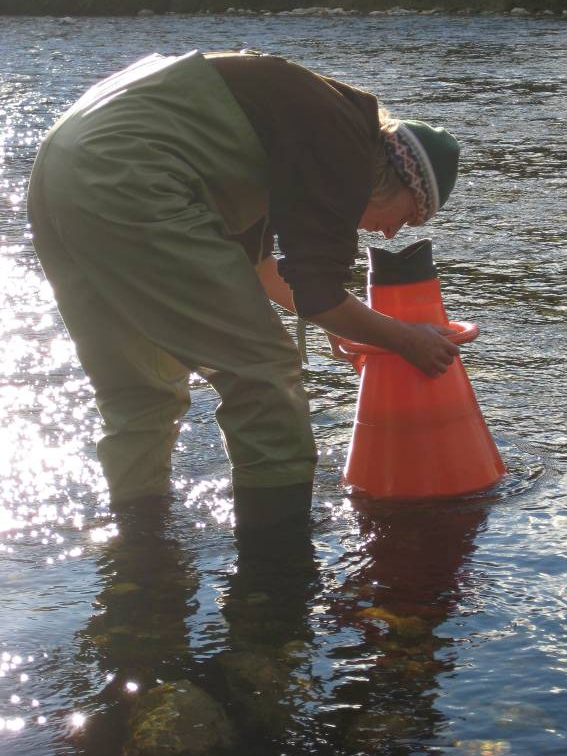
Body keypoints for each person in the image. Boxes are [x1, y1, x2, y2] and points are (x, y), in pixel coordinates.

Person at [27, 49, 461, 535]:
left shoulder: (300, 120)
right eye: (409, 215)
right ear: (399, 178)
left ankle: (141, 556)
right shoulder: (346, 146)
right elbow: (318, 293)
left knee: (140, 392)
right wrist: (403, 338)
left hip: (63, 165)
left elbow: (259, 269)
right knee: (265, 374)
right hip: (136, 176)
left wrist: (351, 320)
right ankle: (276, 566)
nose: (391, 234)